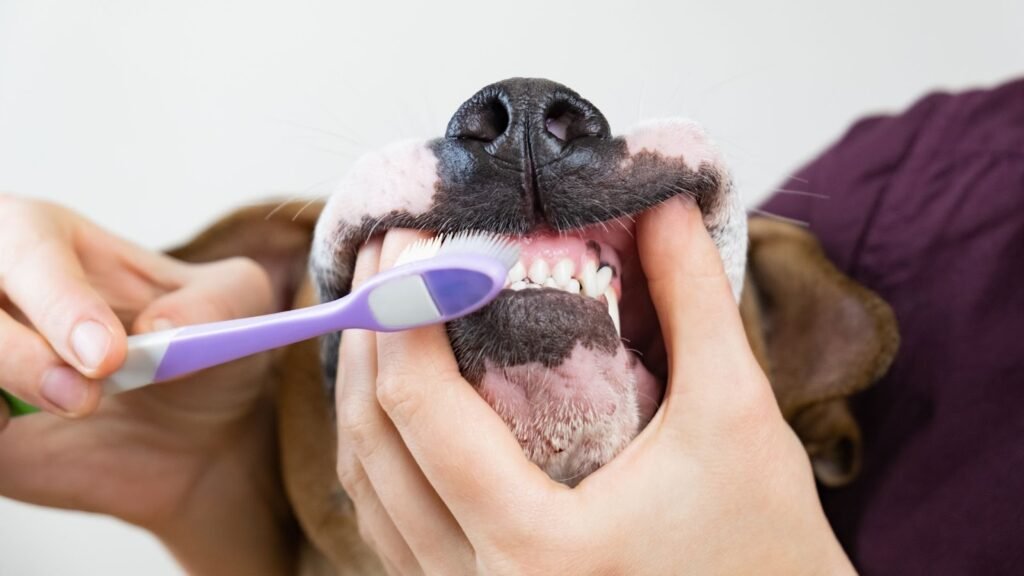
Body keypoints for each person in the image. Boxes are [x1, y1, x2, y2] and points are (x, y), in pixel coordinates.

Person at [2, 77, 1022, 574]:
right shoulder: (908, 196)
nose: (523, 132)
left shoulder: (929, 250)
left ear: (801, 366)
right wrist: (226, 494)